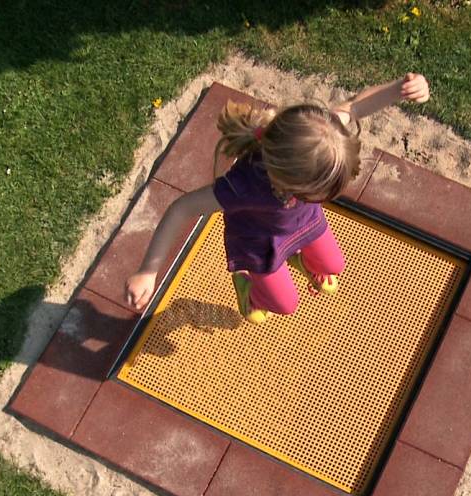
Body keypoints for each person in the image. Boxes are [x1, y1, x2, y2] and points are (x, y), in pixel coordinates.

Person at [125, 73, 431, 323]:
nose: (327, 197)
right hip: (262, 243)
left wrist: (398, 89)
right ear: (289, 184)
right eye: (320, 192)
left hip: (304, 221)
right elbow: (181, 209)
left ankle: (298, 258)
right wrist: (147, 271)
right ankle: (248, 291)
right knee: (284, 305)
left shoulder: (319, 132)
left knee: (334, 266)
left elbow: (353, 108)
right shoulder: (244, 186)